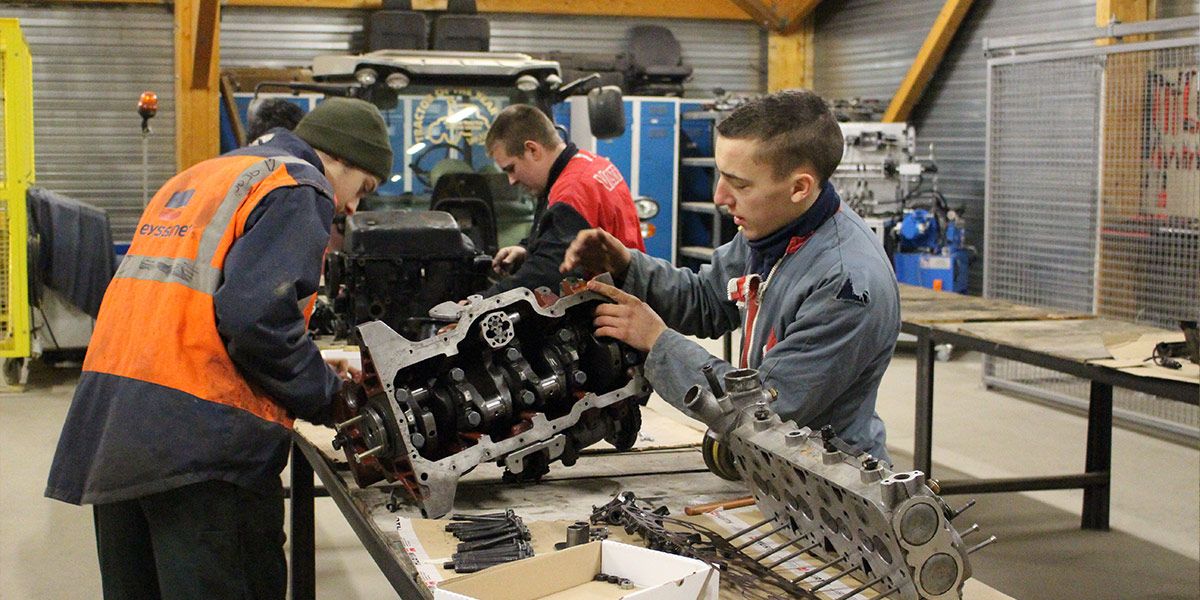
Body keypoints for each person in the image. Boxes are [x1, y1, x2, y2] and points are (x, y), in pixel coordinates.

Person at [44, 97, 393, 600]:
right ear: (338, 158)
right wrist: (328, 397)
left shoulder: (198, 176)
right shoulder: (298, 184)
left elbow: (189, 308)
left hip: (115, 428)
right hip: (202, 443)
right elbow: (256, 317)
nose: (353, 207)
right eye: (364, 189)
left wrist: (312, 361)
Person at [561, 90, 898, 462]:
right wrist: (628, 265)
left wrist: (659, 343)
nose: (720, 196)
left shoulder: (844, 284)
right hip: (777, 465)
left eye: (740, 184)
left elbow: (759, 410)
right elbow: (708, 299)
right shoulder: (773, 232)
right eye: (721, 175)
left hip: (831, 479)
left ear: (799, 187)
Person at [483, 103, 645, 296]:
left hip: (609, 311)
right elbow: (561, 236)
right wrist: (526, 249)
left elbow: (548, 275)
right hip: (630, 291)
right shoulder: (589, 164)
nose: (512, 181)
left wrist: (481, 304)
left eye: (511, 168)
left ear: (532, 150)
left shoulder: (572, 191)